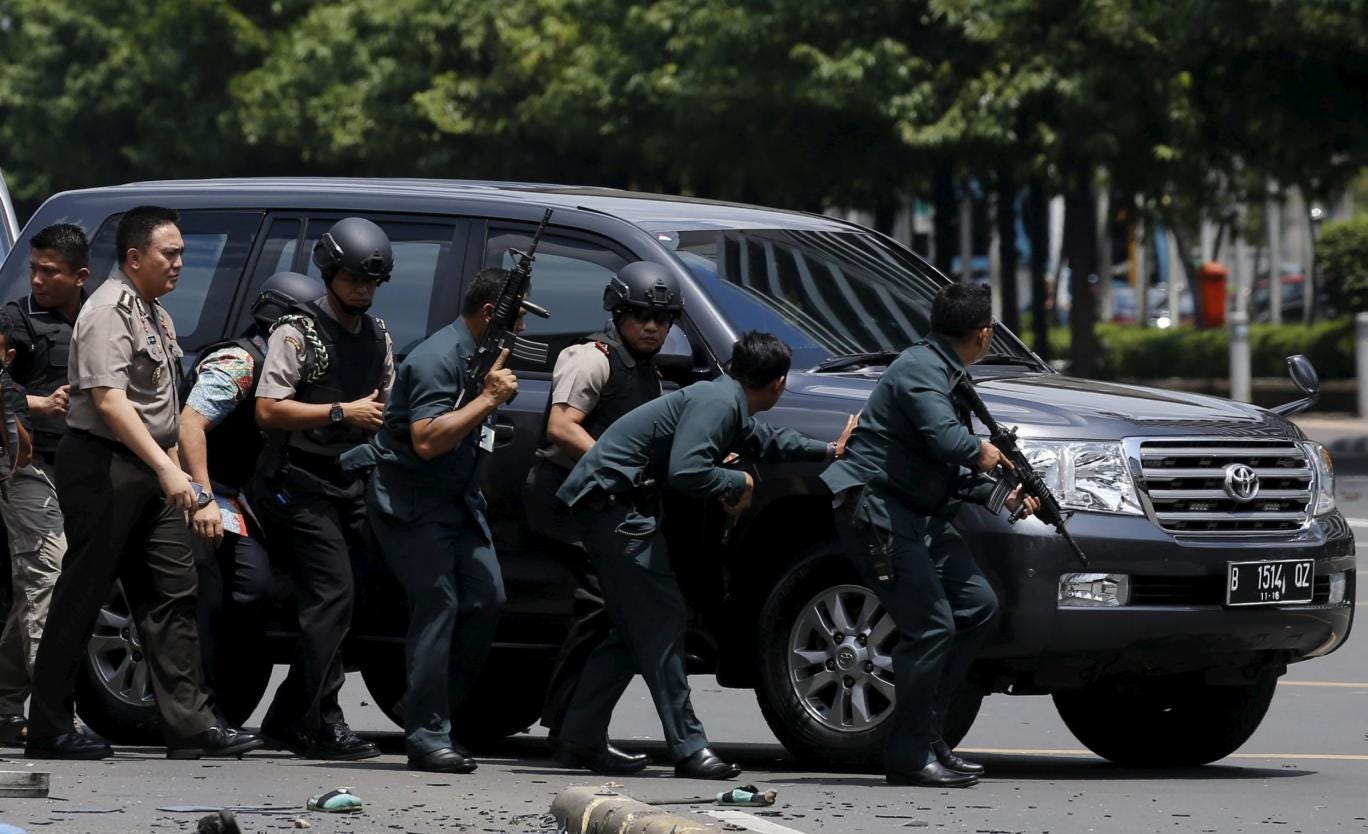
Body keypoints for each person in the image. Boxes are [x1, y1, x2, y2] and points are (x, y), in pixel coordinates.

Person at [551, 331, 856, 779]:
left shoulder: (725, 397)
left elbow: (764, 440)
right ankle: (689, 747)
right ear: (778, 383)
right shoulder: (718, 403)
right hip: (614, 509)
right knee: (663, 620)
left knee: (630, 630)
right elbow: (687, 470)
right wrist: (739, 485)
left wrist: (830, 450)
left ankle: (580, 737)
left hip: (614, 507)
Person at [26, 206, 263, 760]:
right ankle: (49, 727)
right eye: (170, 253)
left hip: (152, 466)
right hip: (105, 464)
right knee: (83, 594)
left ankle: (191, 726)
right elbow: (109, 401)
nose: (180, 263)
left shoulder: (155, 313)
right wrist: (164, 468)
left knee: (171, 592)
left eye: (181, 253)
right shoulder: (107, 310)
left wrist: (182, 477)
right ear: (135, 258)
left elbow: (163, 407)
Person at [821, 283, 1039, 788]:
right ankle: (908, 753)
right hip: (877, 512)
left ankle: (930, 735)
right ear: (983, 334)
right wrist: (984, 452)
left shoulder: (945, 369)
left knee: (976, 607)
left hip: (917, 512)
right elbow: (947, 440)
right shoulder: (920, 369)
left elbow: (939, 464)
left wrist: (1002, 495)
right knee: (931, 626)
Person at [344, 268, 525, 773]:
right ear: (491, 314)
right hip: (411, 501)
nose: (523, 328)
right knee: (439, 602)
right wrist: (489, 400)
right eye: (519, 315)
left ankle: (425, 707)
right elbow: (425, 440)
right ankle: (426, 737)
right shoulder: (436, 358)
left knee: (488, 597)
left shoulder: (481, 354)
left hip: (457, 501)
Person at [251, 217, 394, 761]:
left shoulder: (377, 334)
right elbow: (268, 410)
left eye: (372, 282)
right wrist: (341, 410)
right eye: (355, 277)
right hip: (297, 485)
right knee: (330, 599)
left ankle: (290, 717)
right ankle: (321, 721)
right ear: (330, 272)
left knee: (351, 601)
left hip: (348, 481)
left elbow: (385, 400)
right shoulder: (297, 331)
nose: (363, 288)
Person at [532, 262, 683, 739]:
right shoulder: (592, 358)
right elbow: (562, 427)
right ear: (618, 312)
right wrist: (619, 464)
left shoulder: (647, 373)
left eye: (663, 318)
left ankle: (575, 726)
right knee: (603, 603)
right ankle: (566, 725)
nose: (652, 326)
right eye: (640, 314)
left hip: (605, 504)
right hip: (565, 498)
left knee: (610, 607)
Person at [178, 272, 325, 722]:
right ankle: (200, 714)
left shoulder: (288, 369)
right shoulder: (240, 363)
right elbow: (190, 425)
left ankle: (225, 709)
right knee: (214, 599)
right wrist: (202, 497)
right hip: (206, 494)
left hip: (243, 498)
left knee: (253, 592)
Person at [0, 224, 87, 745]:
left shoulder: (102, 316)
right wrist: (38, 404)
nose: (35, 279)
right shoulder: (14, 320)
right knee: (46, 580)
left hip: (83, 468)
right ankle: (57, 717)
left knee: (45, 586)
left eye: (48, 272)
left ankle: (4, 700)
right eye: (32, 269)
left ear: (80, 275)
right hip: (25, 465)